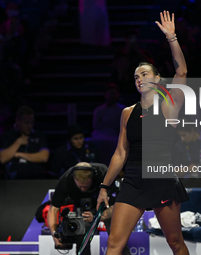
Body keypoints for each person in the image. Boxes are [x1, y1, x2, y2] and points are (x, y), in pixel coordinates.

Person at [97, 11, 190, 255]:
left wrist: (171, 38)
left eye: (145, 74)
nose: (139, 79)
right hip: (133, 182)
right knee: (114, 245)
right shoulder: (127, 112)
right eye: (136, 76)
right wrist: (104, 187)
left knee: (176, 244)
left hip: (161, 179)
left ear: (158, 79)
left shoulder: (170, 105)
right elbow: (120, 153)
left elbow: (181, 72)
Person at [47, 162, 130, 255]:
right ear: (74, 179)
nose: (83, 189)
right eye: (80, 186)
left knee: (116, 235)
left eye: (85, 186)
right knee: (80, 230)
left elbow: (117, 206)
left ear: (92, 178)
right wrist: (54, 234)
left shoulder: (104, 174)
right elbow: (53, 209)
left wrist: (96, 217)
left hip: (106, 208)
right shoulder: (67, 179)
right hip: (81, 212)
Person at [0, 105, 49, 179]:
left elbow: (44, 157)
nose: (29, 126)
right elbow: (2, 158)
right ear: (17, 121)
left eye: (31, 123)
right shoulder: (8, 136)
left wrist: (19, 154)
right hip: (14, 178)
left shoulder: (39, 135)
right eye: (26, 123)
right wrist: (18, 142)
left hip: (35, 177)